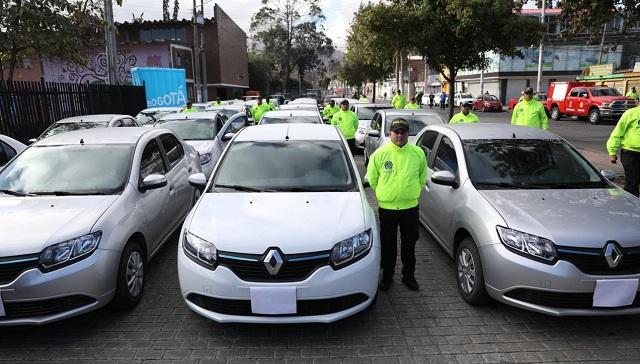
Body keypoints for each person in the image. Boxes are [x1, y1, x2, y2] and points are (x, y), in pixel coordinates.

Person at [366, 118, 427, 291]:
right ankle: (387, 277)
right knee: (388, 246)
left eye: (403, 132)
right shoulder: (380, 153)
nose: (400, 136)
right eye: (396, 132)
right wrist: (384, 194)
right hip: (388, 209)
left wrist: (412, 192)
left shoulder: (417, 153)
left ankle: (409, 276)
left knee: (409, 244)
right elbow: (372, 179)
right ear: (390, 133)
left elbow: (422, 178)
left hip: (410, 208)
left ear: (408, 134)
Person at [606, 105, 640, 197]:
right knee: (632, 183)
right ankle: (630, 205)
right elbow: (618, 133)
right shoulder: (631, 113)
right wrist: (612, 151)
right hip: (630, 153)